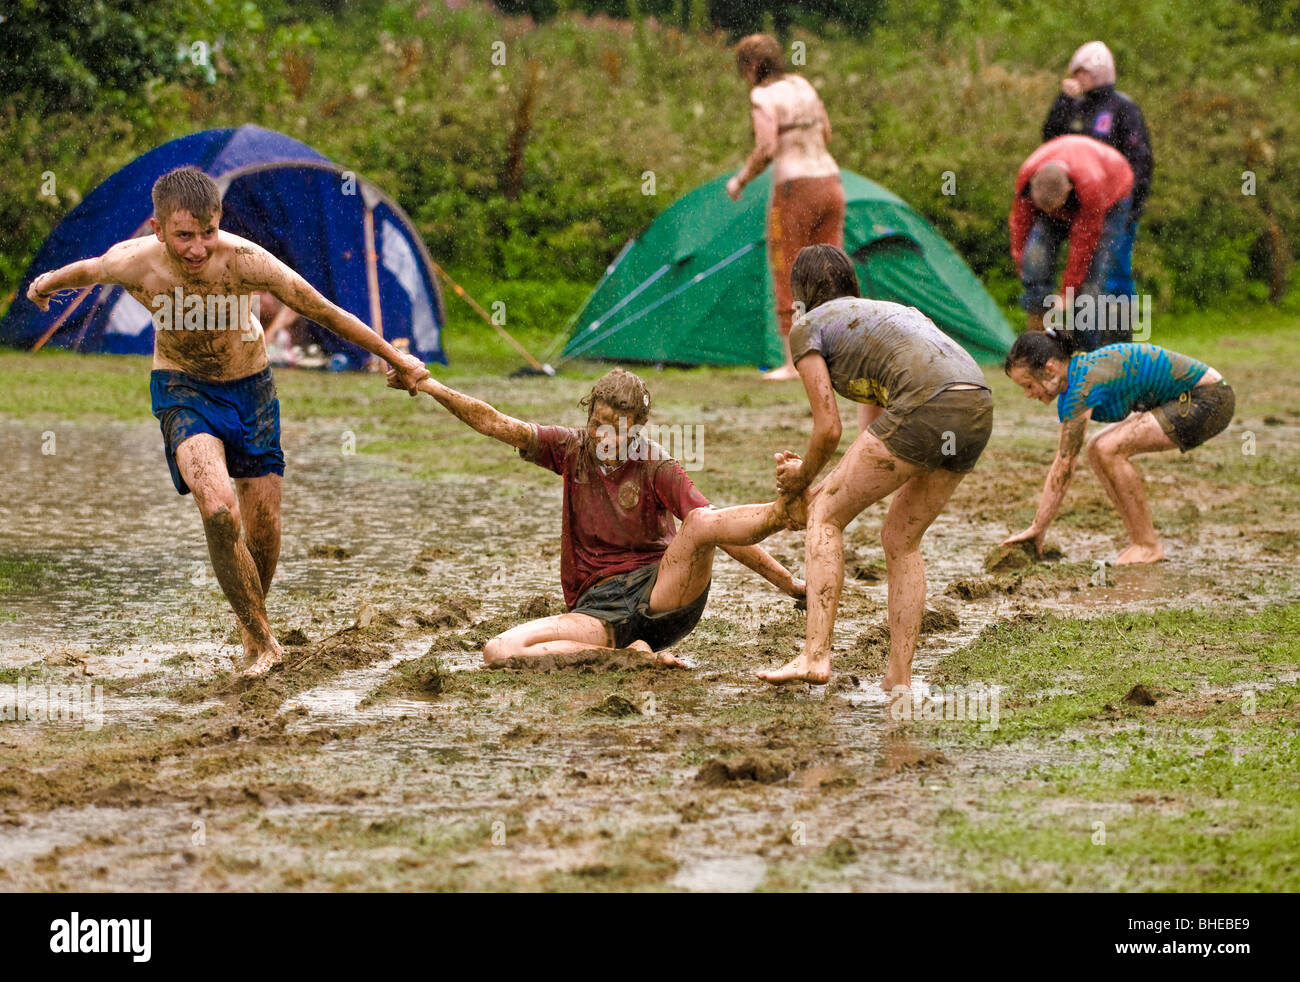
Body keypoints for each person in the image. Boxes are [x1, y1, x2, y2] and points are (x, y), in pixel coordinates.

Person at [25, 166, 430, 677]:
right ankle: (263, 642)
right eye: (184, 236)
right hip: (183, 392)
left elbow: (322, 309)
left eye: (208, 233)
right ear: (157, 229)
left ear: (219, 223)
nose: (197, 249)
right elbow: (85, 271)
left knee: (263, 526)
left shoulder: (245, 261)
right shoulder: (132, 263)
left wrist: (397, 358)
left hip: (252, 392)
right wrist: (44, 285)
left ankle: (249, 625)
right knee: (219, 512)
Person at [388, 367, 807, 666]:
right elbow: (496, 423)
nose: (606, 436)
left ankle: (782, 512)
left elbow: (719, 531)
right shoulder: (569, 449)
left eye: (619, 429)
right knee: (499, 651)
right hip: (596, 611)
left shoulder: (654, 464)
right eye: (598, 423)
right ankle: (626, 658)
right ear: (589, 413)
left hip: (663, 593)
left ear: (638, 428)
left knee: (699, 521)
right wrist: (429, 386)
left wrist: (790, 584)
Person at [758, 245, 993, 691]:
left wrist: (803, 478)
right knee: (901, 540)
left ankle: (814, 656)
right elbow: (873, 441)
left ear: (801, 296)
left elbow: (828, 429)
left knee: (825, 516)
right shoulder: (885, 313)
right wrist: (823, 481)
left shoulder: (807, 326)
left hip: (925, 402)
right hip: (976, 402)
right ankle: (898, 677)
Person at [1002, 330, 1234, 564]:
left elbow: (1064, 465)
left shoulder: (1081, 386)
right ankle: (1140, 541)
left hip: (1209, 399)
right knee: (1097, 449)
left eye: (1029, 385)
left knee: (1108, 449)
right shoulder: (1076, 377)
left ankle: (1147, 546)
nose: (1028, 395)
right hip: (1198, 397)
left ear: (1050, 369)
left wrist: (1037, 528)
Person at [726, 33, 845, 382]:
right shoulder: (802, 84)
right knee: (829, 269)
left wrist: (741, 180)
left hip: (796, 187)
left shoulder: (762, 95)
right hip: (831, 182)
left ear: (749, 66)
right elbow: (826, 132)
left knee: (789, 269)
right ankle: (836, 353)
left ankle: (794, 364)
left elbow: (766, 147)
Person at [1042, 41, 1153, 298]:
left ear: (1097, 72)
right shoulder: (1075, 106)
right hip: (1083, 206)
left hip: (1118, 205)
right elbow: (1051, 142)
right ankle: (1087, 336)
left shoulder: (1123, 109)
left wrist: (1132, 207)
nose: (1076, 78)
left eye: (1081, 72)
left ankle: (1120, 334)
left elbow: (1140, 159)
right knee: (1088, 276)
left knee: (1115, 274)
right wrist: (1063, 101)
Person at [1011, 134, 1133, 350]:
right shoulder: (1027, 177)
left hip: (1112, 193)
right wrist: (1024, 267)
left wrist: (1067, 292)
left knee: (1091, 284)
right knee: (1035, 258)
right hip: (1070, 184)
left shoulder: (1091, 186)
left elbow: (1083, 246)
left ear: (1067, 191)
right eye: (1048, 210)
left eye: (1056, 208)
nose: (1054, 214)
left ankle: (1084, 352)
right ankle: (1039, 343)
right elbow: (1020, 225)